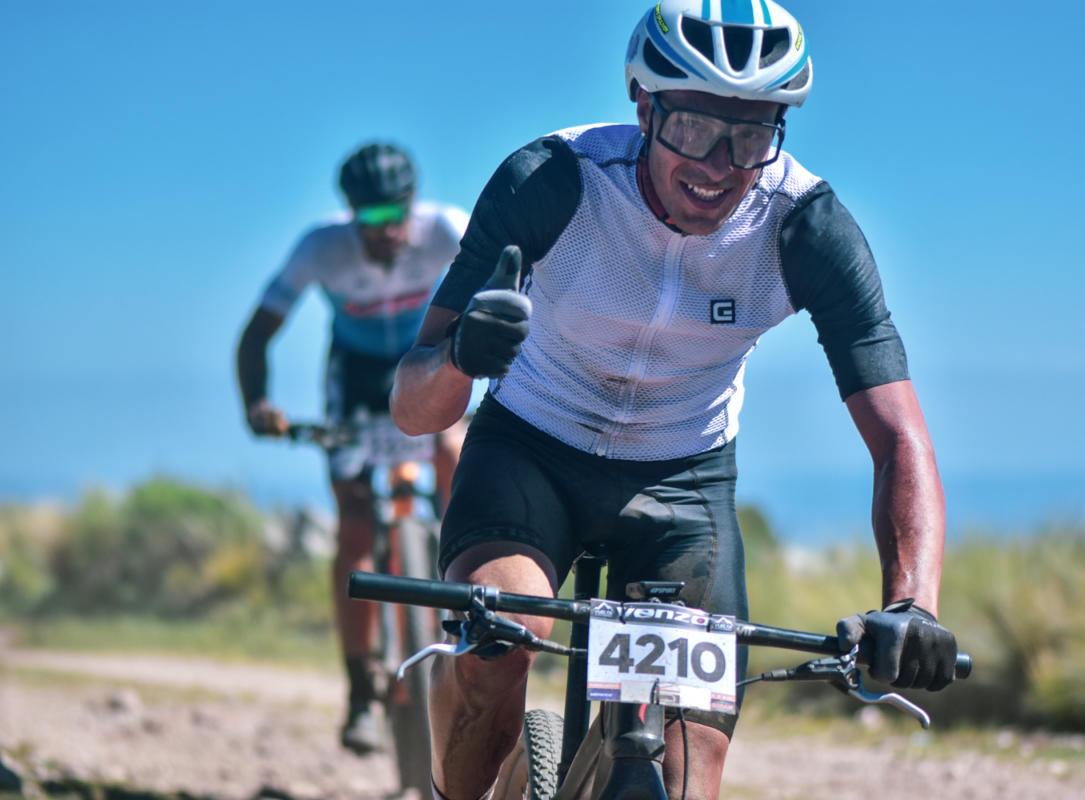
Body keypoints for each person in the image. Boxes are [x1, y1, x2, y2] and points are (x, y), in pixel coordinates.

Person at [391, 2, 958, 797]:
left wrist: (914, 604)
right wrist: (459, 357)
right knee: (505, 641)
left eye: (751, 136)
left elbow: (900, 438)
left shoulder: (805, 228)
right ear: (643, 106)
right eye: (692, 127)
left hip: (682, 482)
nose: (719, 165)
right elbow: (413, 408)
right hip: (529, 451)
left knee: (693, 774)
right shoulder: (551, 182)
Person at [236, 142, 468, 754]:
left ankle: (465, 568)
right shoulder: (321, 247)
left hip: (424, 363)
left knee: (453, 449)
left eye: (397, 213)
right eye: (370, 217)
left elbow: (523, 290)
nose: (386, 229)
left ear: (414, 204)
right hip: (355, 382)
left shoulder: (447, 229)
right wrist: (258, 404)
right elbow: (257, 334)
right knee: (355, 526)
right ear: (350, 213)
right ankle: (361, 686)